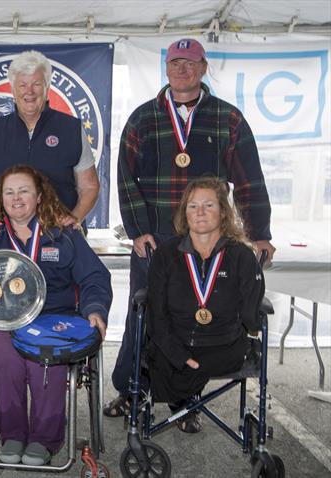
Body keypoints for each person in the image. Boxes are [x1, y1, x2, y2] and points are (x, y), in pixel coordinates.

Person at [106, 38, 276, 418]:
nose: (182, 69)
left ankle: (186, 397)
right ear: (166, 68)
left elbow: (249, 180)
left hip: (208, 243)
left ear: (203, 68)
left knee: (199, 315)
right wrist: (138, 231)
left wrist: (259, 231)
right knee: (145, 314)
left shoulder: (228, 118)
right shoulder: (142, 118)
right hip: (158, 240)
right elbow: (125, 179)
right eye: (175, 63)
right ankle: (133, 388)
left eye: (190, 63)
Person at [0, 165, 111, 465]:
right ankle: (13, 435)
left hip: (54, 317)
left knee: (46, 358)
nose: (16, 198)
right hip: (5, 320)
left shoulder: (64, 233)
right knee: (3, 355)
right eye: (9, 192)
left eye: (24, 191)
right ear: (0, 198)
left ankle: (45, 440)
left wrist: (95, 310)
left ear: (39, 196)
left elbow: (94, 278)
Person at [145, 176, 265, 433]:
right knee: (161, 361)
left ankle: (185, 402)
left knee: (220, 358)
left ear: (223, 212)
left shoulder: (241, 256)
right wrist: (180, 356)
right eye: (192, 206)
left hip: (223, 347)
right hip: (174, 346)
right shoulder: (166, 255)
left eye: (209, 205)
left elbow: (251, 311)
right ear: (184, 213)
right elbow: (157, 316)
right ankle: (183, 402)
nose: (200, 212)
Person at [0, 50, 99, 235]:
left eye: (36, 84)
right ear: (13, 90)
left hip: (61, 239)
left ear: (47, 88)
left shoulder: (71, 129)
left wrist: (75, 218)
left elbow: (90, 187)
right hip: (7, 242)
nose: (29, 91)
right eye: (22, 85)